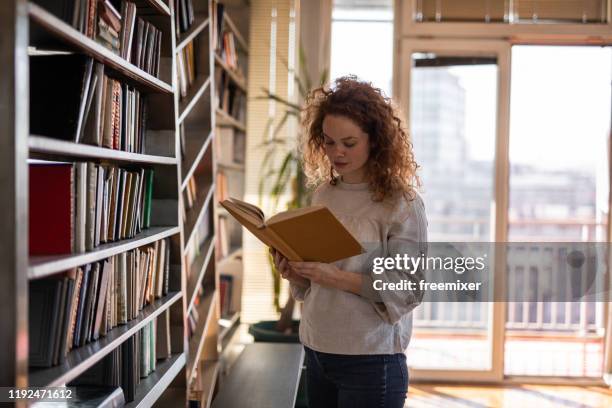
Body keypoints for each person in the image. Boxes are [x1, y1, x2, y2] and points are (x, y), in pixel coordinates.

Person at [270, 75, 428, 408]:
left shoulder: (401, 203)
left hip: (371, 359)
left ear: (375, 140)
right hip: (317, 348)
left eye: (349, 142)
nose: (336, 152)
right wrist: (295, 271)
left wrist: (335, 277)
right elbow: (316, 282)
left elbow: (409, 289)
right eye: (328, 141)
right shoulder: (324, 194)